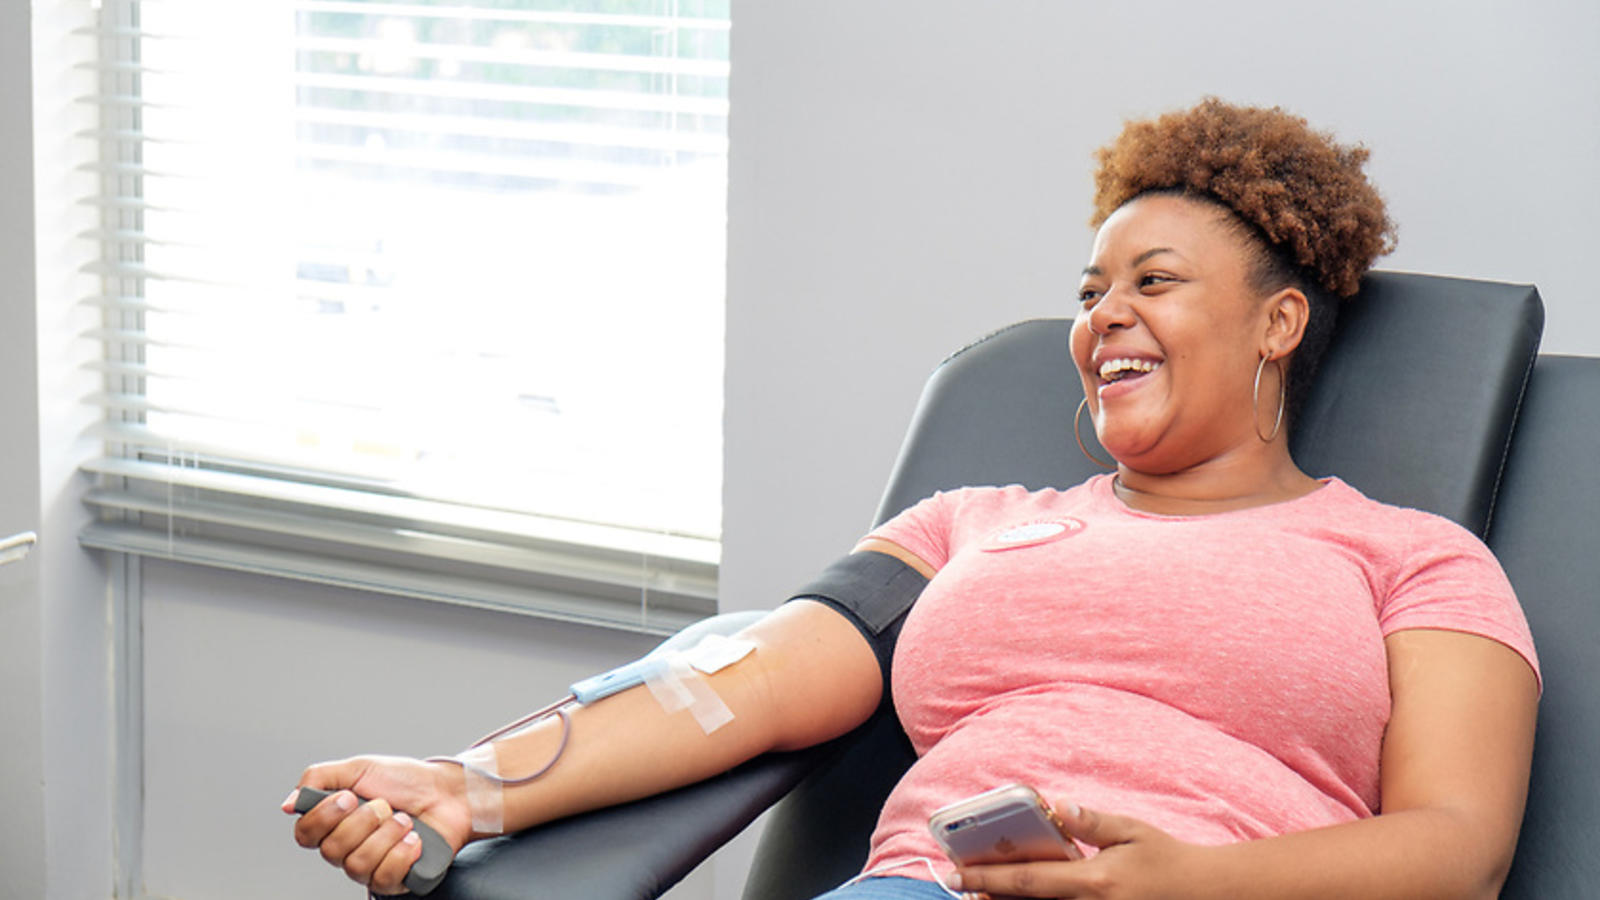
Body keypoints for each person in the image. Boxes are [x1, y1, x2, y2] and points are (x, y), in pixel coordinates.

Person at [285, 98, 1540, 899]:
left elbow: (1457, 847)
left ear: (1278, 322)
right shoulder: (967, 529)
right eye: (1091, 290)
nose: (1105, 316)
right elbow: (734, 681)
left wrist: (1188, 883)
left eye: (1154, 282)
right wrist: (464, 784)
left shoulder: (1408, 559)